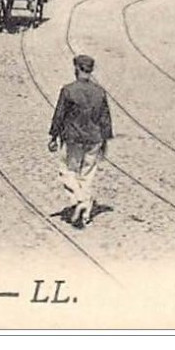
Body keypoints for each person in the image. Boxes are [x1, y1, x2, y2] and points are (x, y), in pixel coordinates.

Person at [48, 53, 114, 229]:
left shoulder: (68, 90)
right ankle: (85, 214)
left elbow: (59, 115)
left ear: (77, 69)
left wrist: (54, 136)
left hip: (73, 138)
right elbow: (105, 118)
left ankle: (80, 200)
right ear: (91, 71)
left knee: (68, 171)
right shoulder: (100, 92)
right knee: (88, 174)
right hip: (94, 139)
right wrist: (105, 139)